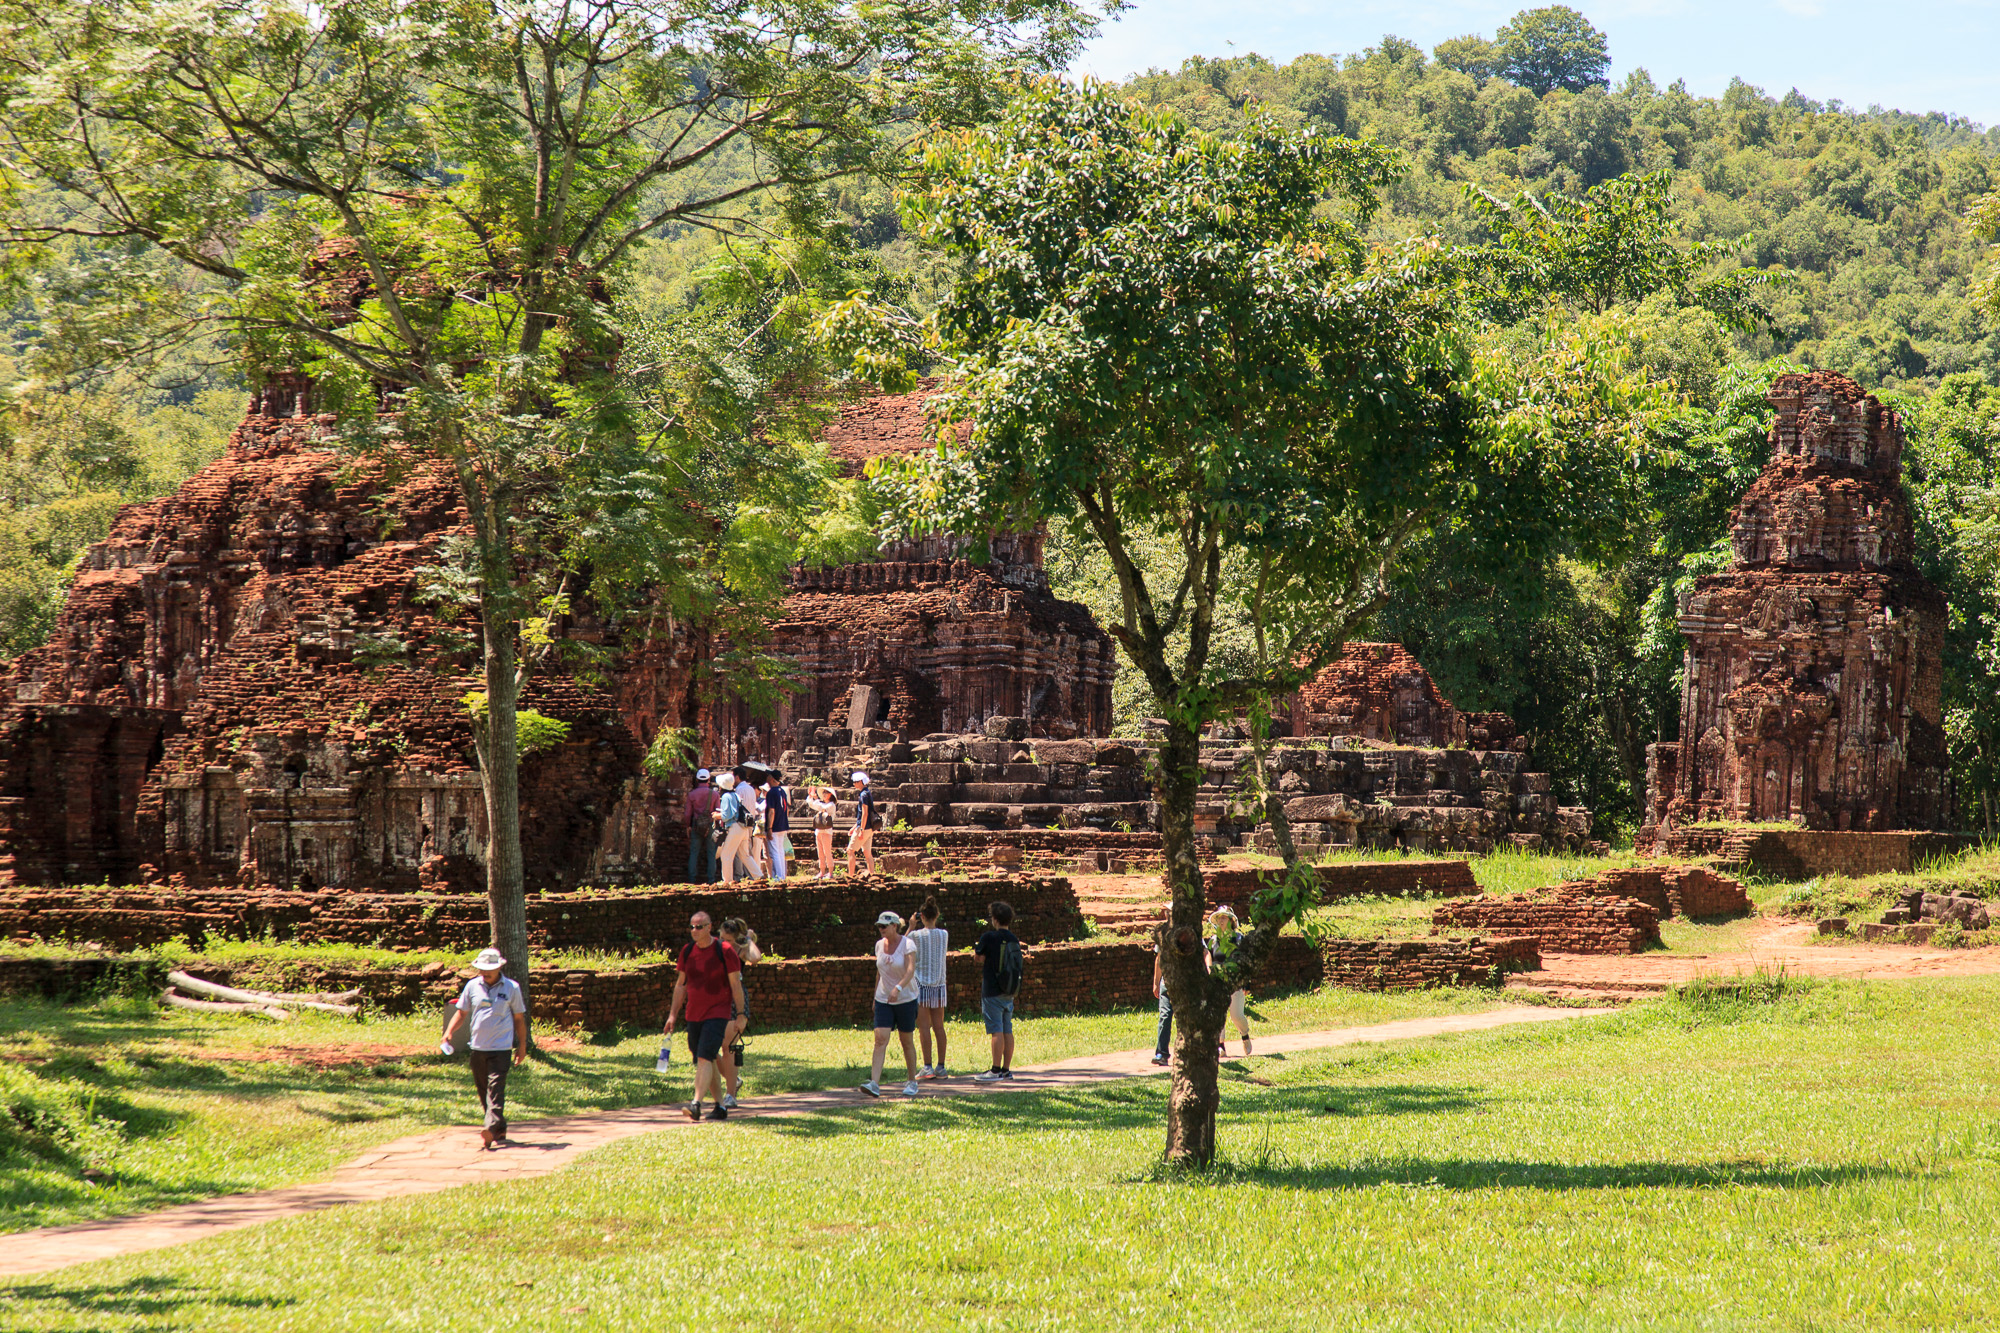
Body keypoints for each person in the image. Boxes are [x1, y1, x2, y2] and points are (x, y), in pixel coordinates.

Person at [438, 947, 528, 1150]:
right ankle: (499, 1128)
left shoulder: (512, 988)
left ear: (499, 968)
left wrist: (521, 1046)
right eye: (482, 969)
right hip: (478, 1048)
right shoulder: (472, 986)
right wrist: (449, 1032)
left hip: (501, 1048)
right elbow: (461, 1013)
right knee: (483, 1090)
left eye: (489, 969)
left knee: (495, 1089)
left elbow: (519, 1019)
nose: (484, 972)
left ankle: (489, 1128)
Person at [663, 912, 747, 1120]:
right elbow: (681, 985)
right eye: (692, 926)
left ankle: (696, 1103)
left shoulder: (724, 950)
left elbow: (736, 985)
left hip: (718, 1013)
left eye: (699, 927)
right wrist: (672, 1015)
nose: (694, 930)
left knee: (704, 1057)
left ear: (709, 927)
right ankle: (720, 1107)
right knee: (707, 1058)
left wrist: (741, 1014)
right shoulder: (687, 951)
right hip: (694, 1014)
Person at [860, 910, 921, 1098]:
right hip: (883, 999)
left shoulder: (908, 944)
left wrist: (898, 988)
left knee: (906, 1041)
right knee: (880, 1039)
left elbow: (910, 970)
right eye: (879, 926)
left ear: (895, 926)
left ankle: (912, 1081)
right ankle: (874, 1083)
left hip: (906, 999)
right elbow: (879, 972)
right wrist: (875, 996)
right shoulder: (879, 945)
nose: (881, 929)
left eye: (884, 926)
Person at [972, 901, 1021, 1083]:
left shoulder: (988, 937)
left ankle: (995, 1070)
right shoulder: (1014, 939)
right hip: (1009, 990)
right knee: (1007, 1030)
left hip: (992, 990)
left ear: (995, 919)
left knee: (996, 1031)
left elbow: (978, 957)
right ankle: (1006, 1070)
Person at [715, 918, 762, 1109]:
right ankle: (733, 1080)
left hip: (735, 999)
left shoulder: (740, 951)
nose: (723, 942)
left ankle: (730, 1095)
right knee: (708, 1048)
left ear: (736, 939)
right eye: (721, 937)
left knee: (728, 1047)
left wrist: (749, 939)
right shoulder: (714, 948)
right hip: (715, 998)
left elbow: (756, 958)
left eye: (727, 939)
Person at [908, 896, 949, 1079]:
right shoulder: (944, 934)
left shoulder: (915, 936)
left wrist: (911, 925)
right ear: (937, 915)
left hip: (921, 986)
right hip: (939, 985)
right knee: (939, 1027)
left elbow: (902, 946)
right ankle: (941, 1067)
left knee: (924, 1027)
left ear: (921, 916)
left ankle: (927, 1066)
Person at [1206, 905, 1252, 1057]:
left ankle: (1244, 1035)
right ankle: (1220, 1045)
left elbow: (1245, 961)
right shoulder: (1213, 941)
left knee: (1236, 1015)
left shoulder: (1239, 939)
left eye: (1224, 917)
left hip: (1235, 983)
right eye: (1219, 917)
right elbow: (1209, 959)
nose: (1221, 920)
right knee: (1219, 1014)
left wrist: (1246, 982)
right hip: (1218, 984)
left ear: (1231, 921)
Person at [715, 771, 758, 884]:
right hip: (743, 827)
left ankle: (727, 880)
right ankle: (758, 875)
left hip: (734, 827)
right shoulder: (735, 795)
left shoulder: (726, 797)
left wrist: (716, 816)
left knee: (726, 855)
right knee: (745, 855)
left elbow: (726, 816)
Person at [685, 768, 719, 885]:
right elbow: (718, 811)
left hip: (696, 825)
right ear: (709, 779)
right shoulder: (714, 794)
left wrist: (688, 826)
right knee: (711, 853)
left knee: (694, 852)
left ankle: (692, 879)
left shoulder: (692, 794)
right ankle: (711, 880)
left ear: (697, 780)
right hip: (710, 824)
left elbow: (687, 813)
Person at [845, 770, 877, 877]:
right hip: (869, 828)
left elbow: (865, 813)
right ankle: (872, 874)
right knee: (867, 853)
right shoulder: (867, 793)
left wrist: (861, 829)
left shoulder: (863, 795)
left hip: (864, 827)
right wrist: (855, 827)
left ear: (860, 782)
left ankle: (850, 875)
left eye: (855, 782)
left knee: (850, 850)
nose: (854, 784)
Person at [807, 780, 839, 879]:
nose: (824, 794)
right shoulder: (823, 804)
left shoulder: (831, 805)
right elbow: (812, 804)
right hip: (819, 831)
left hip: (827, 832)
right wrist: (811, 796)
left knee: (827, 852)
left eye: (826, 793)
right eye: (823, 793)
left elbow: (820, 807)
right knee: (820, 853)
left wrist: (815, 798)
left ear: (830, 795)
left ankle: (830, 872)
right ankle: (822, 871)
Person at [764, 769, 791, 882]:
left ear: (771, 778)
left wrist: (769, 827)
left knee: (775, 852)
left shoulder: (771, 792)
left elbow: (771, 811)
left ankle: (778, 877)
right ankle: (781, 875)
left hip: (774, 826)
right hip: (782, 824)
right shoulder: (782, 791)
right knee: (780, 851)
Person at [1150, 937, 1173, 1067]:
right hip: (1166, 982)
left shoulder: (1190, 930)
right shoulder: (1163, 934)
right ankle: (1162, 1053)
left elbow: (1204, 952)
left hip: (1185, 982)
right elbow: (1159, 958)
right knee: (1165, 1016)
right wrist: (1156, 982)